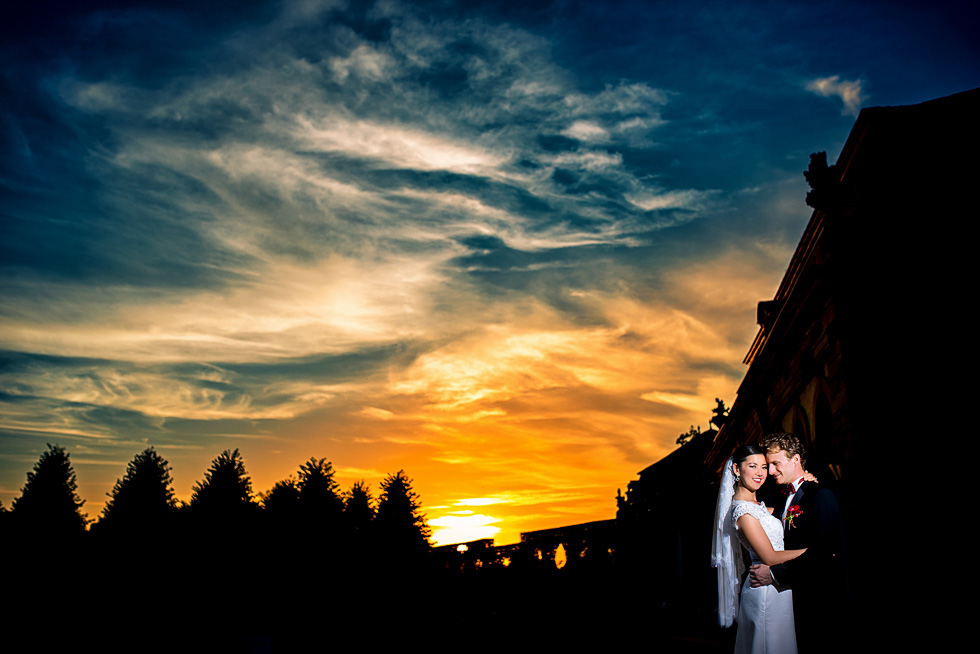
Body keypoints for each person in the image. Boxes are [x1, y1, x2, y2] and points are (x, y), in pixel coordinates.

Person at [748, 433, 843, 654]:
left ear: (796, 459)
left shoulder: (821, 495)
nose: (770, 472)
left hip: (818, 603)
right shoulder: (784, 499)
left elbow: (824, 554)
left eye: (775, 464)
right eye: (768, 465)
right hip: (789, 603)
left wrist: (773, 573)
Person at [713, 444, 805, 653]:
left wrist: (804, 482)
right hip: (765, 590)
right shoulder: (742, 511)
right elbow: (770, 556)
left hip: (778, 587)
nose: (760, 473)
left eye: (764, 467)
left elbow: (785, 511)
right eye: (753, 466)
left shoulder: (759, 507)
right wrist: (810, 552)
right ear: (737, 469)